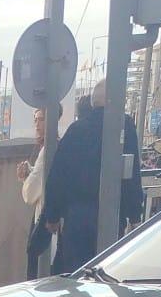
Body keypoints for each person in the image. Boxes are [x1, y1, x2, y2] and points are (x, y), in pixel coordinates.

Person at [43, 79, 142, 275]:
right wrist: (135, 214)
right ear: (116, 100)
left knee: (75, 275)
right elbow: (132, 173)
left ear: (93, 103)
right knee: (106, 275)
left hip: (77, 217)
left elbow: (58, 175)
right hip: (113, 215)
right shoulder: (124, 127)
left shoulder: (76, 130)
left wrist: (52, 216)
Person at [19, 104, 62, 276]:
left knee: (36, 272)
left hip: (44, 218)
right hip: (54, 219)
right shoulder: (59, 145)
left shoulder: (47, 151)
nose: (37, 125)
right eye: (35, 120)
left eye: (41, 119)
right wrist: (31, 171)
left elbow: (30, 194)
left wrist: (25, 178)